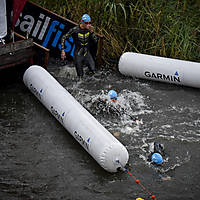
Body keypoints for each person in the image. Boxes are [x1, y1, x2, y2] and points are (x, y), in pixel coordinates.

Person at [61, 14, 98, 78]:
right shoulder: (75, 30)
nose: (88, 24)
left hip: (87, 53)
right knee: (80, 76)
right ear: (82, 22)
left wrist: (92, 32)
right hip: (78, 54)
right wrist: (63, 50)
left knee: (93, 71)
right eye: (86, 23)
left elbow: (95, 41)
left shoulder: (89, 30)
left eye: (90, 23)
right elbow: (63, 37)